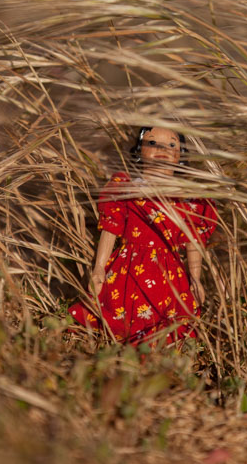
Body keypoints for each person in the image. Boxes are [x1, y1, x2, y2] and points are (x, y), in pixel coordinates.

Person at [69, 126, 217, 346]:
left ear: (181, 155)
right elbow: (111, 228)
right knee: (118, 310)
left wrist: (195, 277)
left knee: (168, 319)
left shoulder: (187, 198)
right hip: (128, 268)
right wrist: (99, 268)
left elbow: (192, 238)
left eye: (172, 145)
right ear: (139, 150)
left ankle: (157, 350)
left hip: (169, 274)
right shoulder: (126, 188)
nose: (163, 149)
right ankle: (115, 346)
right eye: (152, 142)